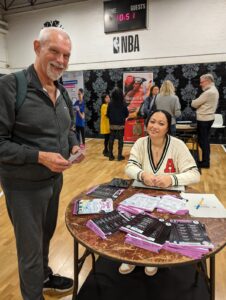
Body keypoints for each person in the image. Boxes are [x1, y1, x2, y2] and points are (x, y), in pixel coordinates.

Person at [0, 27, 80, 300]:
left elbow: (65, 128)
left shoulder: (61, 90)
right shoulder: (11, 86)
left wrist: (73, 144)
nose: (61, 60)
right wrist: (39, 156)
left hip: (54, 182)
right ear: (37, 47)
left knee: (45, 237)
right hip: (23, 187)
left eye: (66, 55)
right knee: (30, 251)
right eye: (54, 51)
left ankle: (44, 278)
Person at [120, 110, 200, 276]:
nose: (155, 126)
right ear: (147, 123)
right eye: (152, 121)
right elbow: (130, 167)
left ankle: (152, 252)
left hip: (170, 197)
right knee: (132, 217)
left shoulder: (177, 145)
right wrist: (142, 174)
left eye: (161, 123)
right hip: (144, 194)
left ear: (167, 128)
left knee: (160, 223)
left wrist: (172, 179)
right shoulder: (140, 143)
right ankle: (133, 252)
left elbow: (194, 174)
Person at [191, 73, 219, 168]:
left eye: (202, 82)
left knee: (203, 141)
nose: (200, 84)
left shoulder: (209, 92)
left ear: (207, 81)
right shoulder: (213, 90)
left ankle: (205, 162)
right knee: (204, 141)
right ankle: (205, 161)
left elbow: (194, 104)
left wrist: (193, 102)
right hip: (208, 118)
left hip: (204, 119)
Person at [107, 87, 129, 161]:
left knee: (111, 139)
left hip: (112, 124)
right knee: (120, 140)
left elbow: (107, 114)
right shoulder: (123, 103)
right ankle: (119, 156)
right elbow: (126, 114)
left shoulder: (110, 104)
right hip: (121, 124)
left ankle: (110, 156)